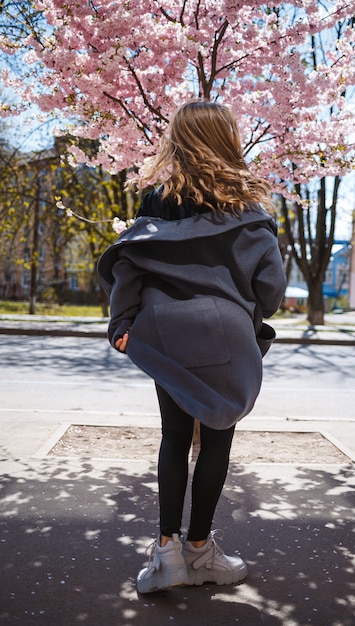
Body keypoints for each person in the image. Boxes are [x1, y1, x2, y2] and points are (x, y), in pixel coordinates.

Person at [97, 100, 286, 595]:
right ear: (228, 138)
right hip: (227, 335)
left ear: (176, 140)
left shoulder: (156, 201)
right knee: (218, 439)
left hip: (167, 335)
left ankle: (167, 556)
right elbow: (270, 292)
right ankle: (201, 550)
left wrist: (122, 321)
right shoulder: (251, 210)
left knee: (174, 437)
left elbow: (129, 264)